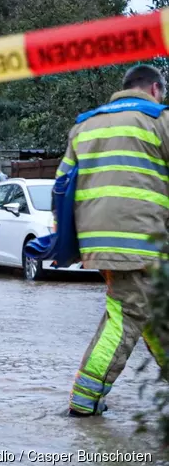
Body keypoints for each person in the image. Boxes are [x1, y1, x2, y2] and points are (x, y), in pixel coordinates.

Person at [61, 64, 169, 417]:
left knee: (152, 312)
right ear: (154, 88)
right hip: (141, 241)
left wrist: (69, 244)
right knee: (126, 317)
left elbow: (62, 187)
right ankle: (83, 401)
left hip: (97, 242)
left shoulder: (84, 125)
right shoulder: (159, 119)